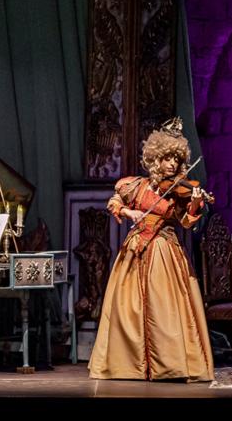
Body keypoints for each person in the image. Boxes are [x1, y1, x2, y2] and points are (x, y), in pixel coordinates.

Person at [88, 117, 214, 382]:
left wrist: (194, 204)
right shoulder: (136, 185)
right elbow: (114, 202)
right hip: (135, 249)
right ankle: (128, 364)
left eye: (177, 160)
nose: (173, 164)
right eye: (168, 158)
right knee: (127, 308)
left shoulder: (179, 191)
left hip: (164, 250)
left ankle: (168, 364)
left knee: (164, 309)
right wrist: (129, 212)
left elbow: (186, 222)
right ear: (156, 159)